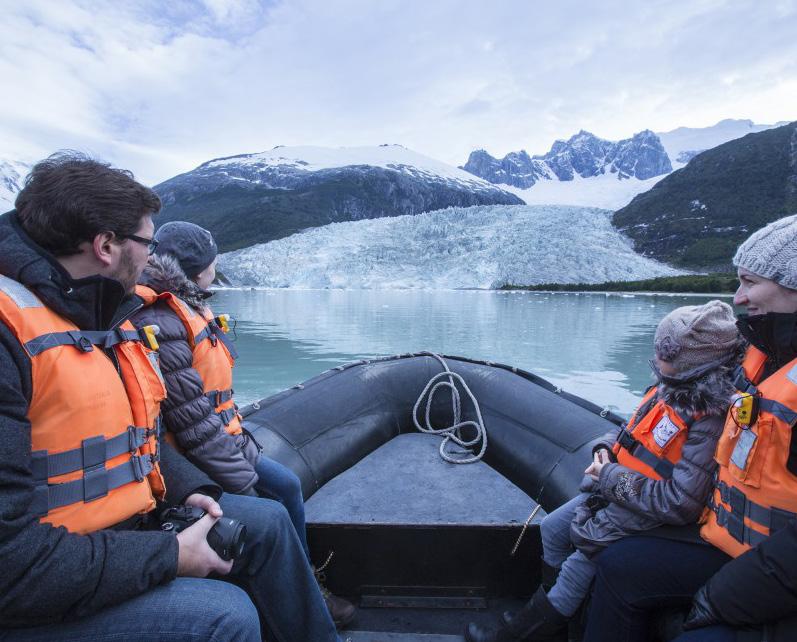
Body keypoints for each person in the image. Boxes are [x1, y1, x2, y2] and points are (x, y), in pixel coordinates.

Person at [0, 152, 340, 641]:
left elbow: (139, 437)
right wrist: (169, 555)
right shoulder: (14, 333)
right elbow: (10, 564)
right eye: (147, 241)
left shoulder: (97, 316)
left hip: (113, 529)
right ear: (106, 246)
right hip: (40, 579)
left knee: (263, 524)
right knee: (225, 615)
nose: (151, 256)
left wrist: (190, 490)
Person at [466, 300, 743, 642]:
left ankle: (525, 633)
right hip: (620, 491)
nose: (657, 359)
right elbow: (630, 431)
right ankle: (557, 619)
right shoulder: (667, 389)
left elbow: (681, 502)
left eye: (666, 353)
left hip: (648, 510)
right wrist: (604, 450)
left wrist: (609, 477)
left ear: (691, 363)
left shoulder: (709, 417)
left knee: (580, 563)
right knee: (553, 528)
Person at [128, 220, 356, 627]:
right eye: (213, 260)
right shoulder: (163, 319)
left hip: (226, 440)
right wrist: (242, 481)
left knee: (284, 483)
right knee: (266, 507)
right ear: (199, 266)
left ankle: (308, 584)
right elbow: (194, 424)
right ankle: (294, 599)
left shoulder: (190, 305)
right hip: (188, 457)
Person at [582, 214, 797, 642]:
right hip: (727, 536)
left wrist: (721, 598)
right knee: (618, 566)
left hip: (770, 566)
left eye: (750, 282)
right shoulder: (761, 354)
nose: (738, 298)